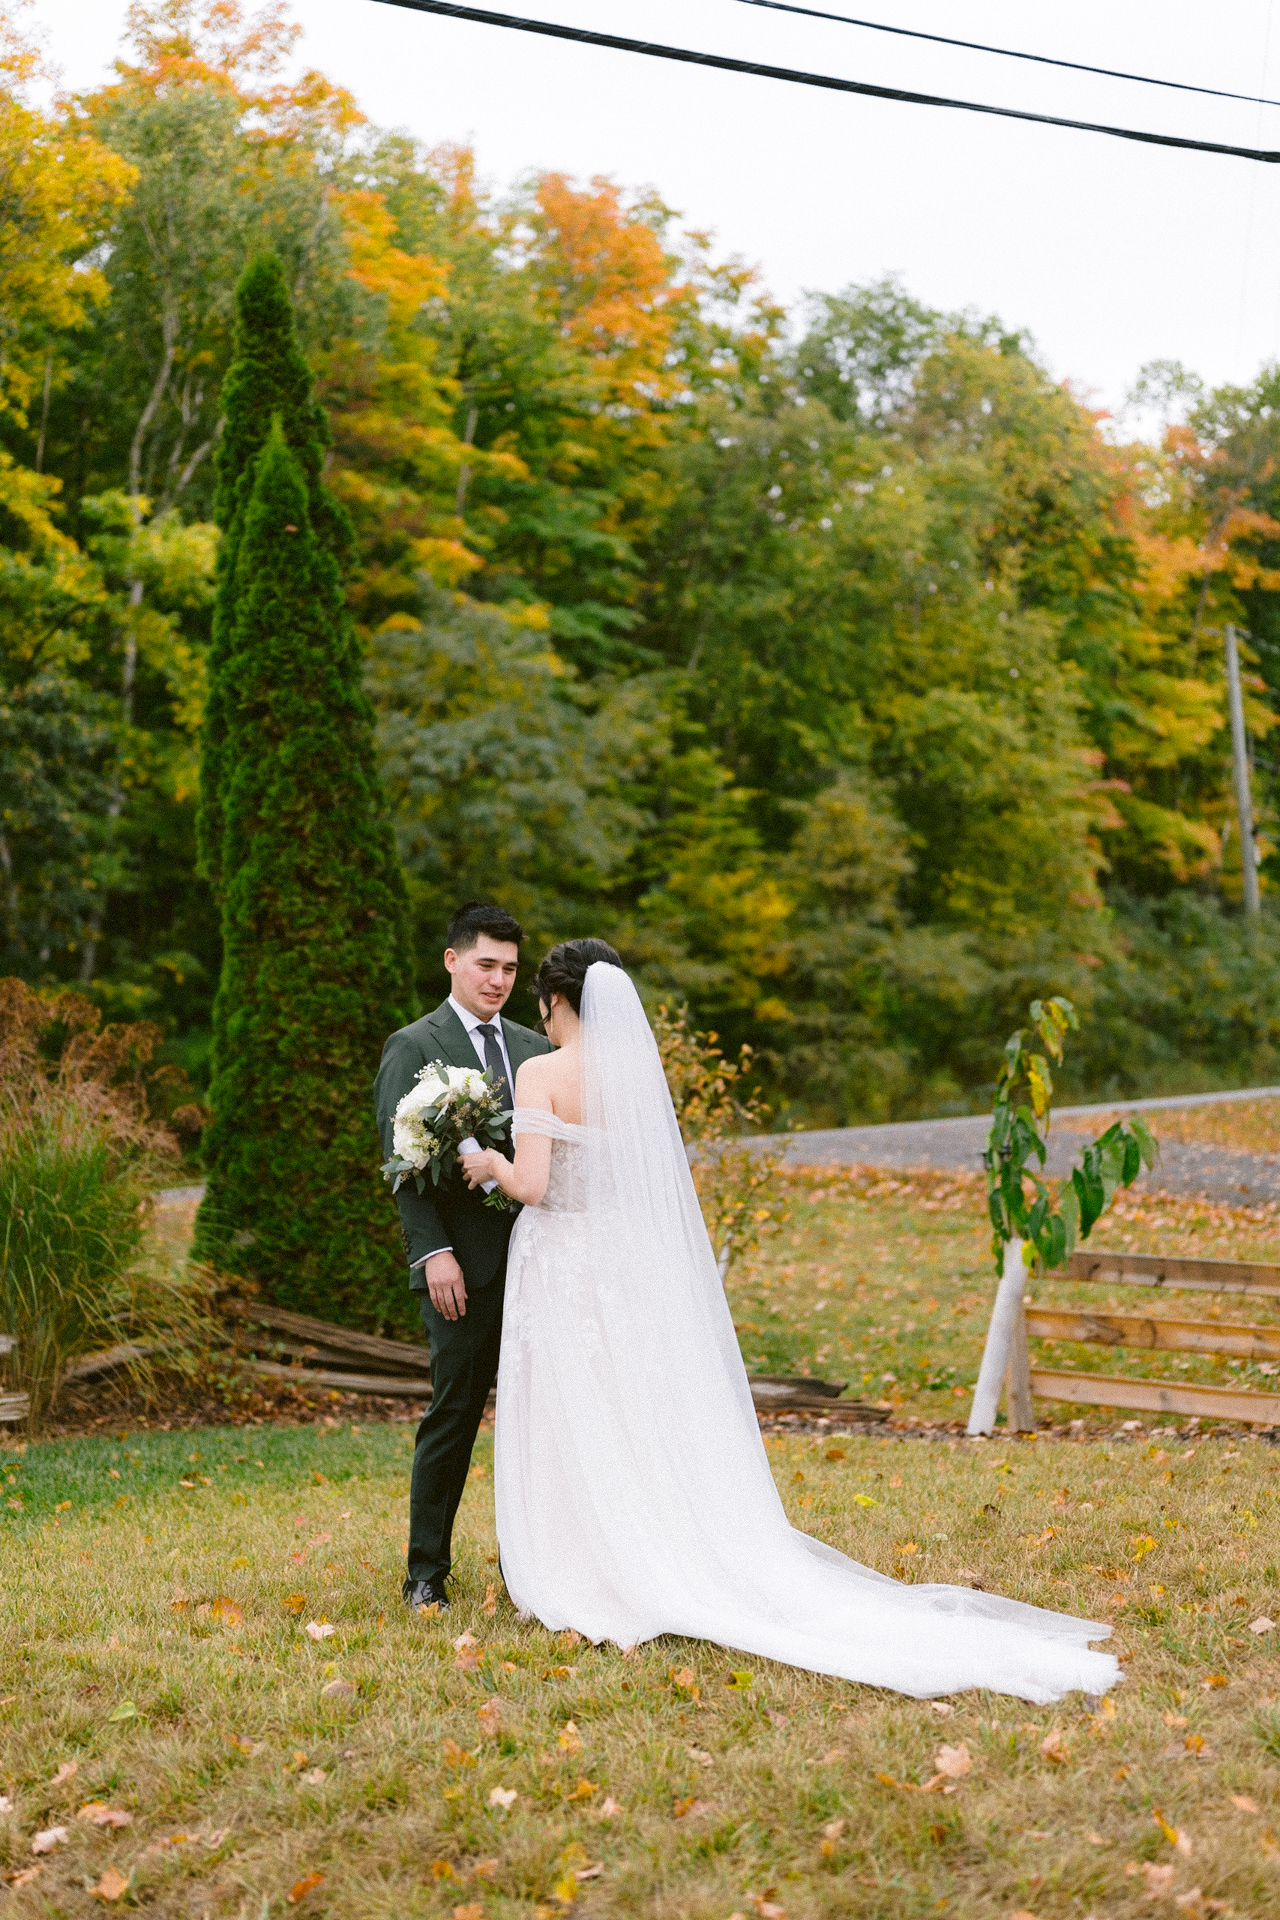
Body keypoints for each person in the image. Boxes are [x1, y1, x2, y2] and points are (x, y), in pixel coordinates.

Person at [459, 940, 1121, 1704]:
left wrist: (489, 1165)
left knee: (574, 1408)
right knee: (632, 1406)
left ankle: (589, 1563)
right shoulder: (633, 1073)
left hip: (565, 1265)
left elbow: (535, 1186)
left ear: (553, 1000)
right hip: (623, 1267)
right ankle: (658, 1540)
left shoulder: (541, 1072)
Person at [373, 901, 553, 1613]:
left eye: (510, 968)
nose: (499, 979)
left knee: (541, 1419)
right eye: (486, 964)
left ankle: (534, 1570)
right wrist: (433, 1253)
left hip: (542, 1265)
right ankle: (426, 1574)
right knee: (453, 1414)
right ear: (452, 961)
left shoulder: (538, 1050)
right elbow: (399, 1164)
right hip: (459, 1271)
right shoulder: (413, 1045)